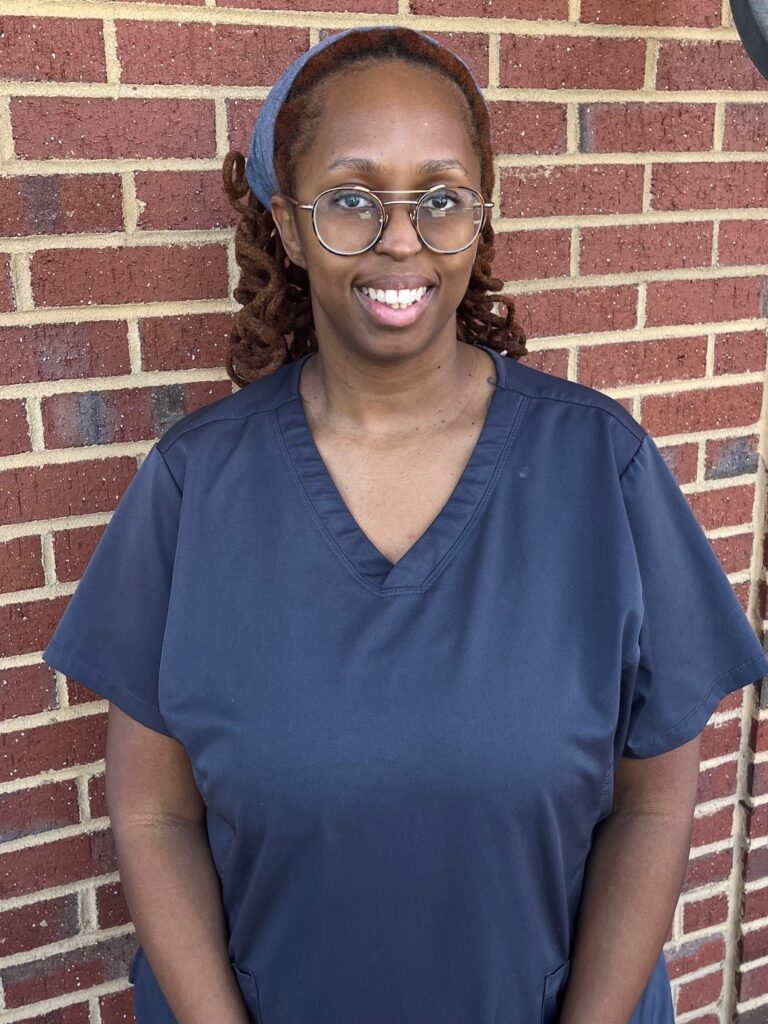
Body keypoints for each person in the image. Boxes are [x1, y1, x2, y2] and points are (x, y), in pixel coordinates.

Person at [41, 25, 768, 1024]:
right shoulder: (192, 488)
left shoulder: (602, 468)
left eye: (440, 198)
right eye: (351, 197)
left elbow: (654, 800)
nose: (401, 237)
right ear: (291, 227)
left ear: (479, 217)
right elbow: (154, 812)